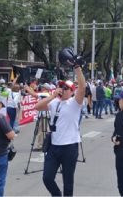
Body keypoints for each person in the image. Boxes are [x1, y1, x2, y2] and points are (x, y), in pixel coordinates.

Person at [35, 64, 86, 196]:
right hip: (54, 147)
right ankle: (57, 195)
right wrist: (52, 96)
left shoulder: (75, 102)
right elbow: (38, 107)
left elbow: (82, 87)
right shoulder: (54, 102)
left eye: (66, 88)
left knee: (68, 181)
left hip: (70, 146)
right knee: (47, 177)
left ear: (72, 91)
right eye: (61, 86)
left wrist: (77, 68)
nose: (62, 89)